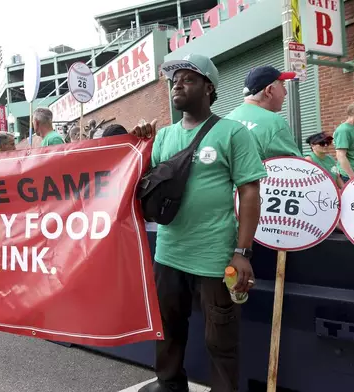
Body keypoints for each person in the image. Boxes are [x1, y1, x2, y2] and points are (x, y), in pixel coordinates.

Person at [131, 54, 266, 392]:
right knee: (168, 329)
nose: (177, 84)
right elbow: (145, 183)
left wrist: (242, 252)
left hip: (215, 258)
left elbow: (250, 193)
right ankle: (169, 384)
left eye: (188, 79)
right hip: (168, 253)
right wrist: (141, 140)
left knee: (220, 338)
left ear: (209, 88)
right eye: (174, 79)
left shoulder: (232, 133)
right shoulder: (163, 137)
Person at [226, 66, 302, 160]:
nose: (285, 92)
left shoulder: (226, 119)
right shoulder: (274, 123)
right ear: (269, 91)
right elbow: (295, 168)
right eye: (282, 86)